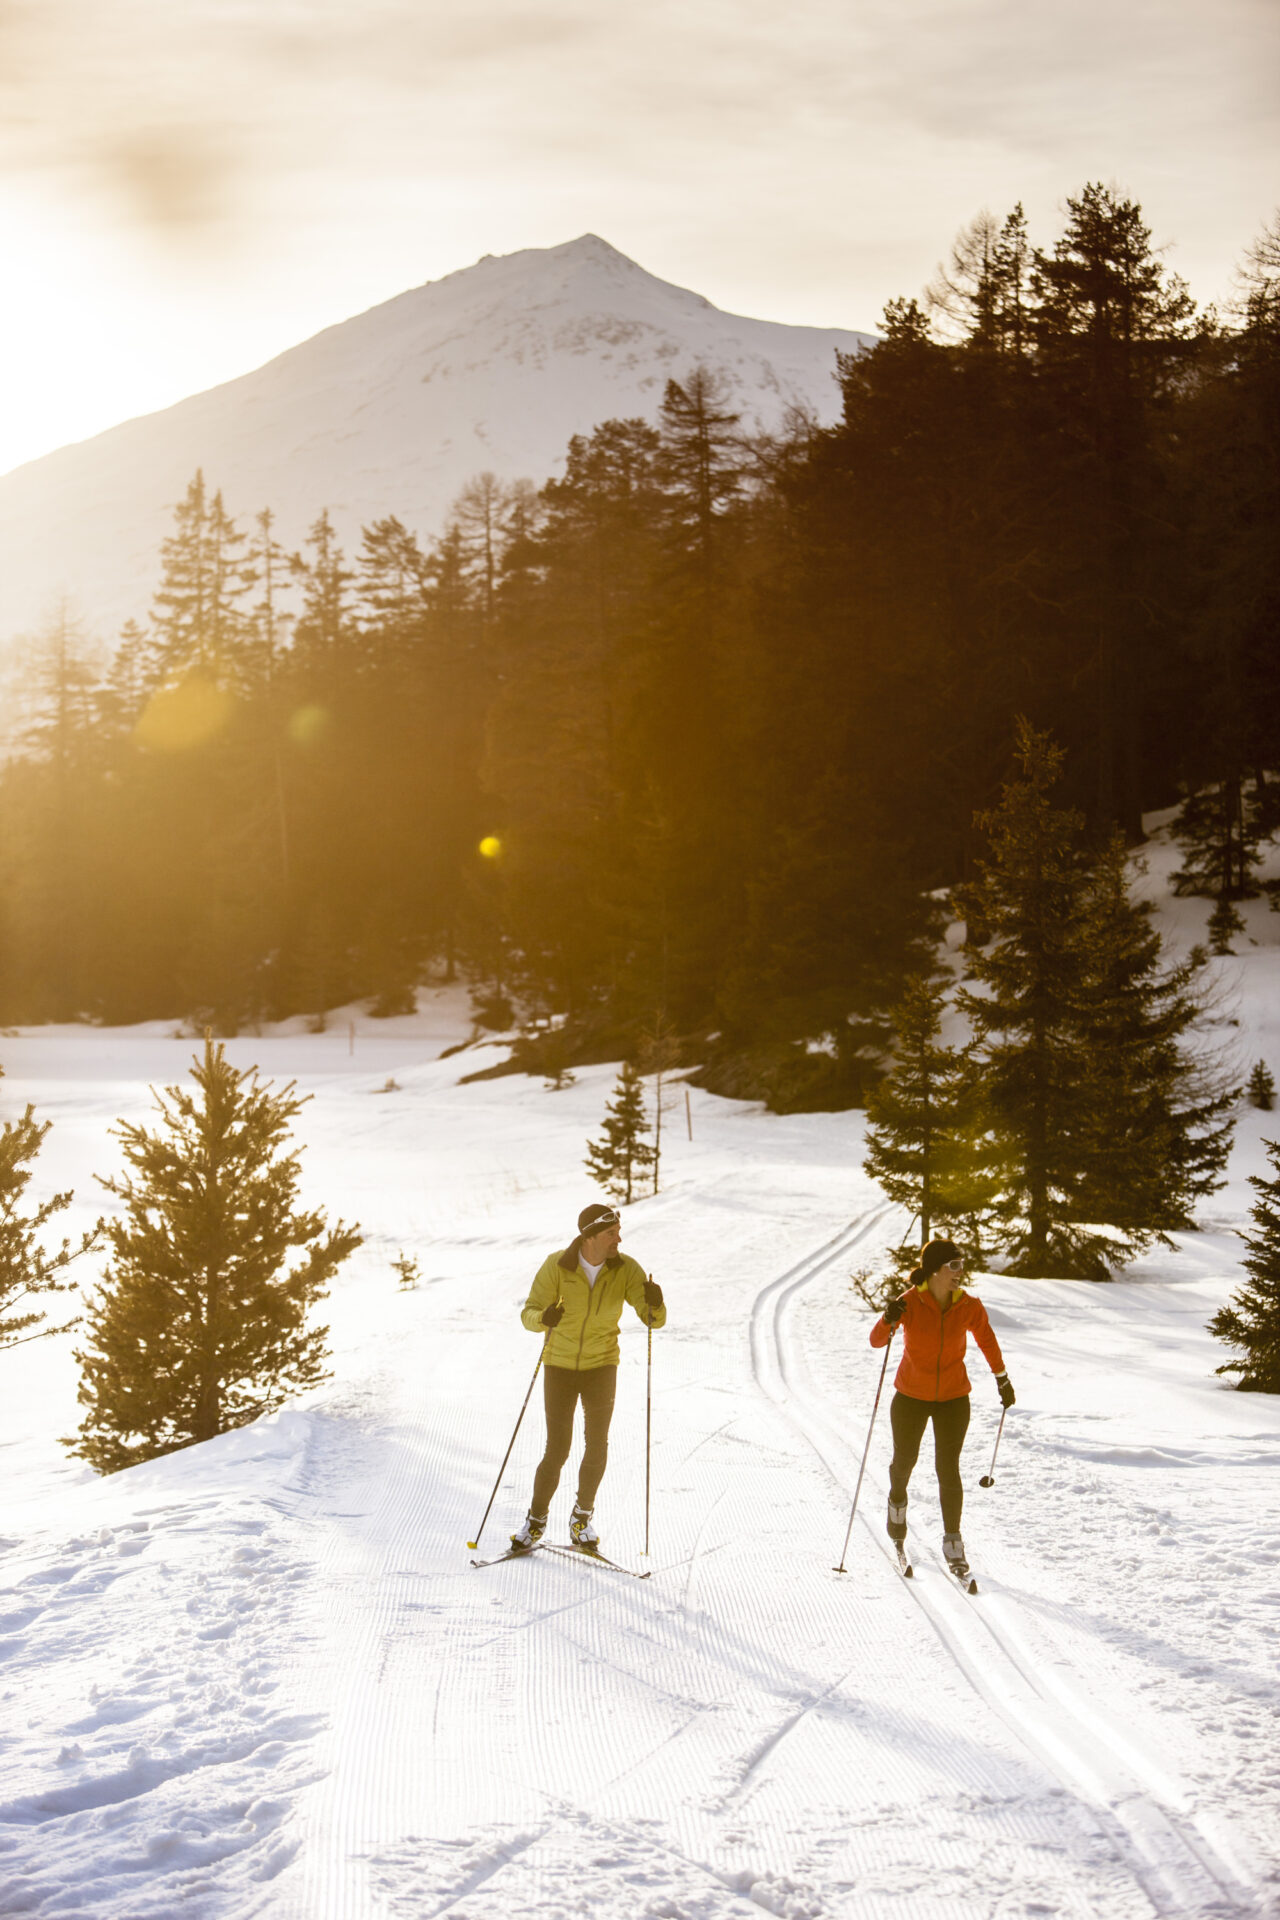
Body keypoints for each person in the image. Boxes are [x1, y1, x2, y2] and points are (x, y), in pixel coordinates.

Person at [510, 1201, 665, 1553]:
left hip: (601, 1366)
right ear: (590, 1236)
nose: (618, 1239)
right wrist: (543, 1319)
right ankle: (535, 1521)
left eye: (618, 1232)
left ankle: (581, 1518)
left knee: (597, 1444)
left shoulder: (625, 1269)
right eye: (611, 1234)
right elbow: (529, 1312)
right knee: (558, 1448)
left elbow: (652, 1317)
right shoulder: (557, 1266)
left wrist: (655, 1304)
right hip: (559, 1366)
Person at [870, 1236, 1015, 1581]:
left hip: (953, 1398)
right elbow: (877, 1341)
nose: (960, 1272)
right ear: (934, 1270)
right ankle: (896, 1505)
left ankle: (953, 1542)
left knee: (947, 1468)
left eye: (962, 1264)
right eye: (953, 1266)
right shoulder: (909, 1302)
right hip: (910, 1397)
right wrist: (888, 1317)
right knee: (904, 1461)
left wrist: (1002, 1378)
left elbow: (987, 1340)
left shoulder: (968, 1305)